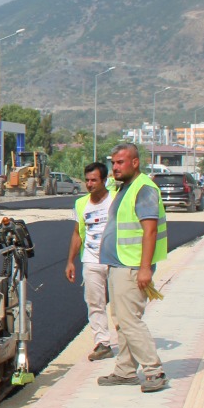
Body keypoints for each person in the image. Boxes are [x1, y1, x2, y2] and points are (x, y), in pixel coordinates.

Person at [96, 142, 169, 392]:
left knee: (130, 321)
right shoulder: (124, 188)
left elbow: (149, 230)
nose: (115, 167)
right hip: (119, 264)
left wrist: (145, 268)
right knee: (123, 321)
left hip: (132, 267)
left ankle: (153, 370)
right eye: (113, 163)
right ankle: (125, 371)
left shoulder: (144, 189)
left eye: (120, 162)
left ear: (135, 163)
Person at [65, 161, 115, 361]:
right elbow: (77, 233)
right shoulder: (81, 203)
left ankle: (128, 342)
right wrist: (70, 261)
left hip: (115, 260)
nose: (90, 184)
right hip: (91, 260)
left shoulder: (115, 200)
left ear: (104, 180)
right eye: (87, 180)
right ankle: (102, 343)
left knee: (120, 304)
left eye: (94, 180)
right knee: (94, 303)